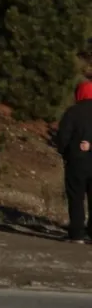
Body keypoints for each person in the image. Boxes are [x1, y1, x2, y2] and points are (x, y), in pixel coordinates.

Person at [55, 81, 92, 243]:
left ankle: (77, 234)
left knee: (76, 198)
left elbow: (63, 137)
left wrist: (66, 152)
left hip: (77, 162)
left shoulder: (72, 112)